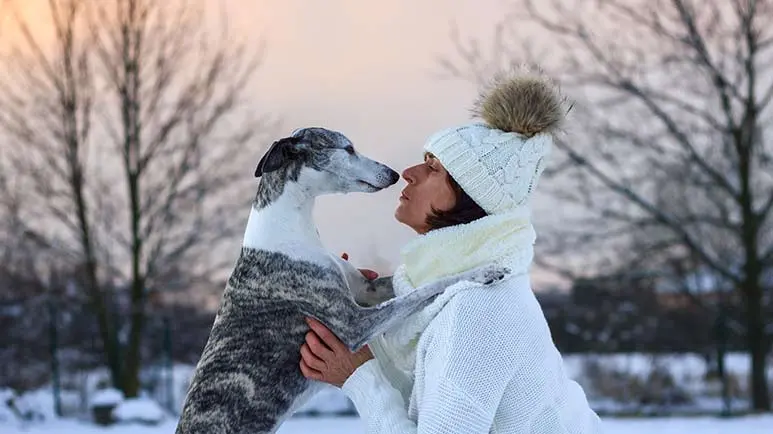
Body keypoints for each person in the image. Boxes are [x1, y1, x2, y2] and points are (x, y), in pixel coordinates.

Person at [299, 70, 603, 433]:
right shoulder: (455, 297)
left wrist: (359, 378)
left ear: (471, 198)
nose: (409, 173)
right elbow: (429, 395)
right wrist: (356, 316)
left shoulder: (478, 308)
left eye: (433, 169)